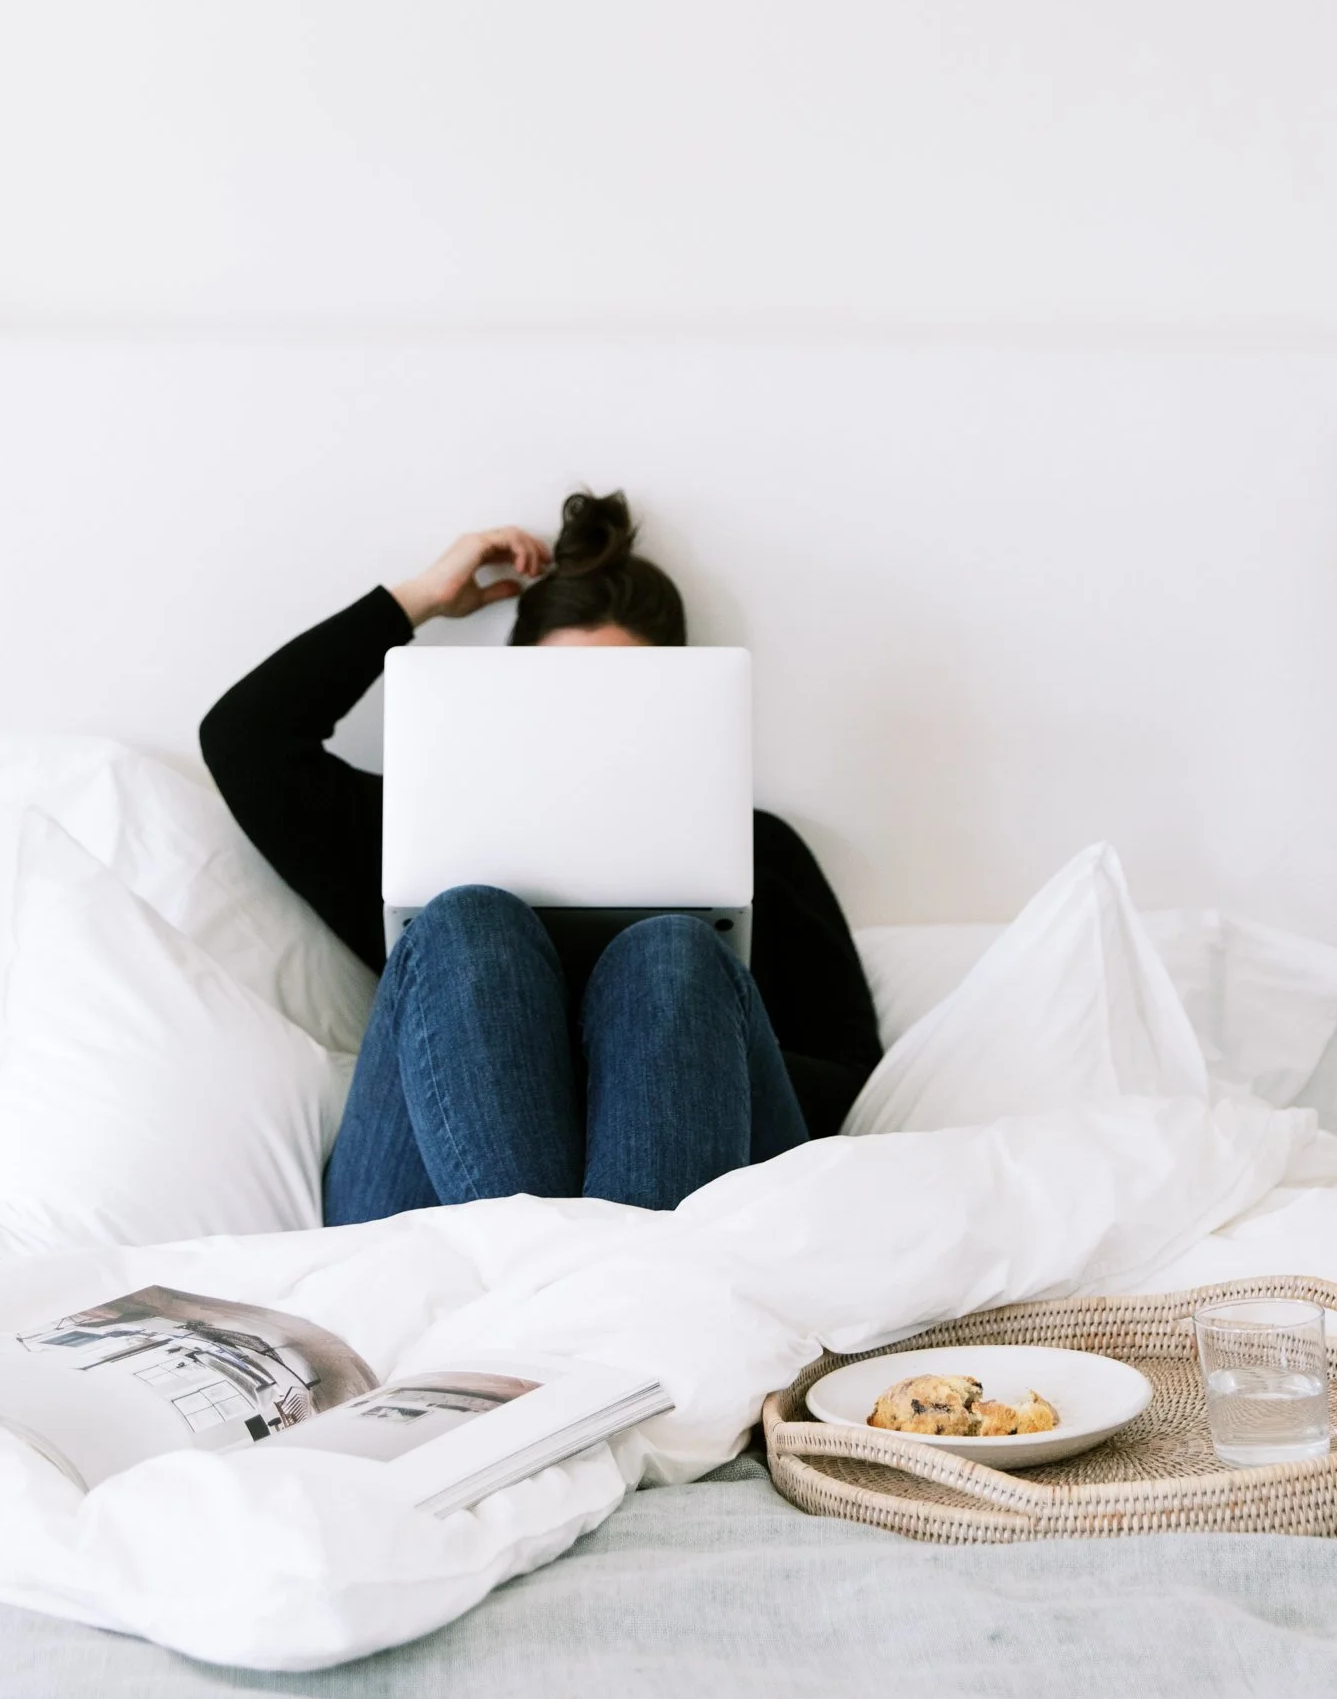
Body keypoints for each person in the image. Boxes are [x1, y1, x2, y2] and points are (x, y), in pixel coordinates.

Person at [200, 491, 879, 1224]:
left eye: (621, 698)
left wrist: (654, 1057)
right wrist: (419, 600)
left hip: (687, 1168)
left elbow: (850, 1085)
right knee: (470, 918)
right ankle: (587, 1297)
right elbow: (247, 741)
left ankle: (562, 1304)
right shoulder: (426, 831)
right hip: (432, 1196)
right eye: (564, 694)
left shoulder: (755, 852)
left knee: (670, 955)